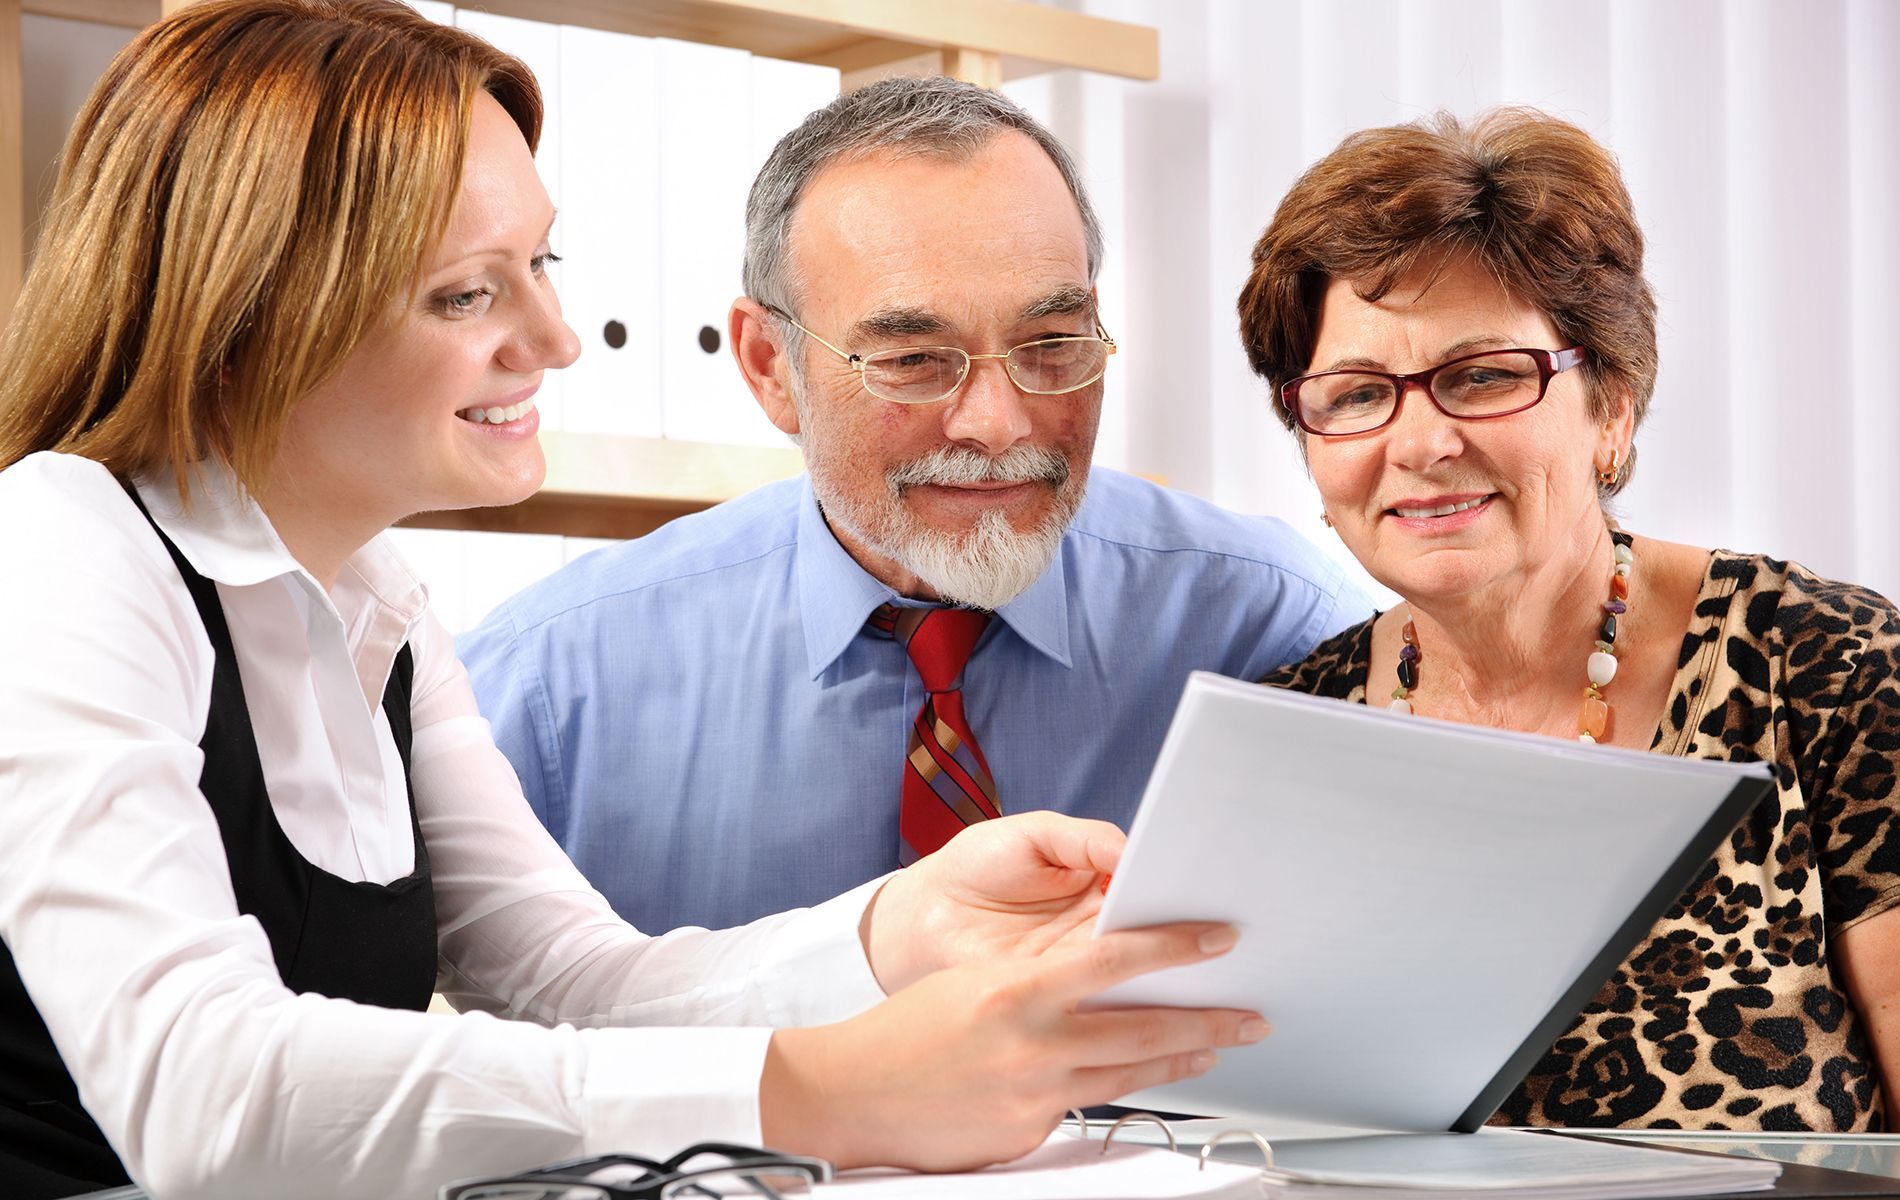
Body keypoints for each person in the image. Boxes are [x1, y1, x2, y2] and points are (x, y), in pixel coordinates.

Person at [0, 4, 1270, 1197]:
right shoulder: (57, 544)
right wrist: (817, 1089)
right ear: (256, 310)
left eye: (540, 264)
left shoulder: (377, 607)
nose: (554, 336)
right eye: (465, 292)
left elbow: (569, 980)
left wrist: (903, 927)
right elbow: (200, 1091)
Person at [459, 76, 1369, 934]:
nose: (996, 423)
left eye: (1051, 344)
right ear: (770, 367)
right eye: (913, 360)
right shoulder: (550, 687)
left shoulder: (1270, 626)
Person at [1239, 107, 1900, 1132]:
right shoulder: (1287, 734)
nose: (1420, 442)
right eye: (1357, 392)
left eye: (1483, 377)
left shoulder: (1827, 669)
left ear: (1613, 405)